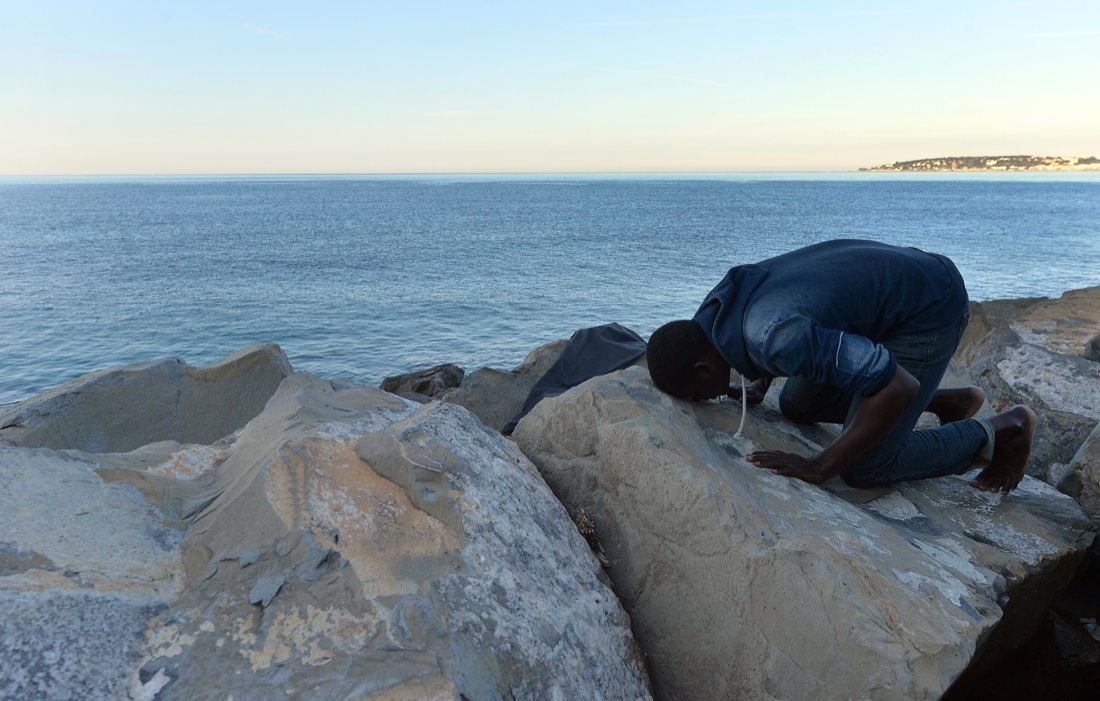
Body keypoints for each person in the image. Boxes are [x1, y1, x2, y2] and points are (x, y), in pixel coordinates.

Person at [646, 239, 1035, 494]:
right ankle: (948, 402)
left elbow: (898, 386)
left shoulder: (775, 338)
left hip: (929, 307)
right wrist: (761, 383)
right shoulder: (713, 313)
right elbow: (774, 308)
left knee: (863, 467)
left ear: (702, 368)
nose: (710, 399)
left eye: (701, 395)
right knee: (797, 406)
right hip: (891, 289)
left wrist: (819, 466)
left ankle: (1003, 429)